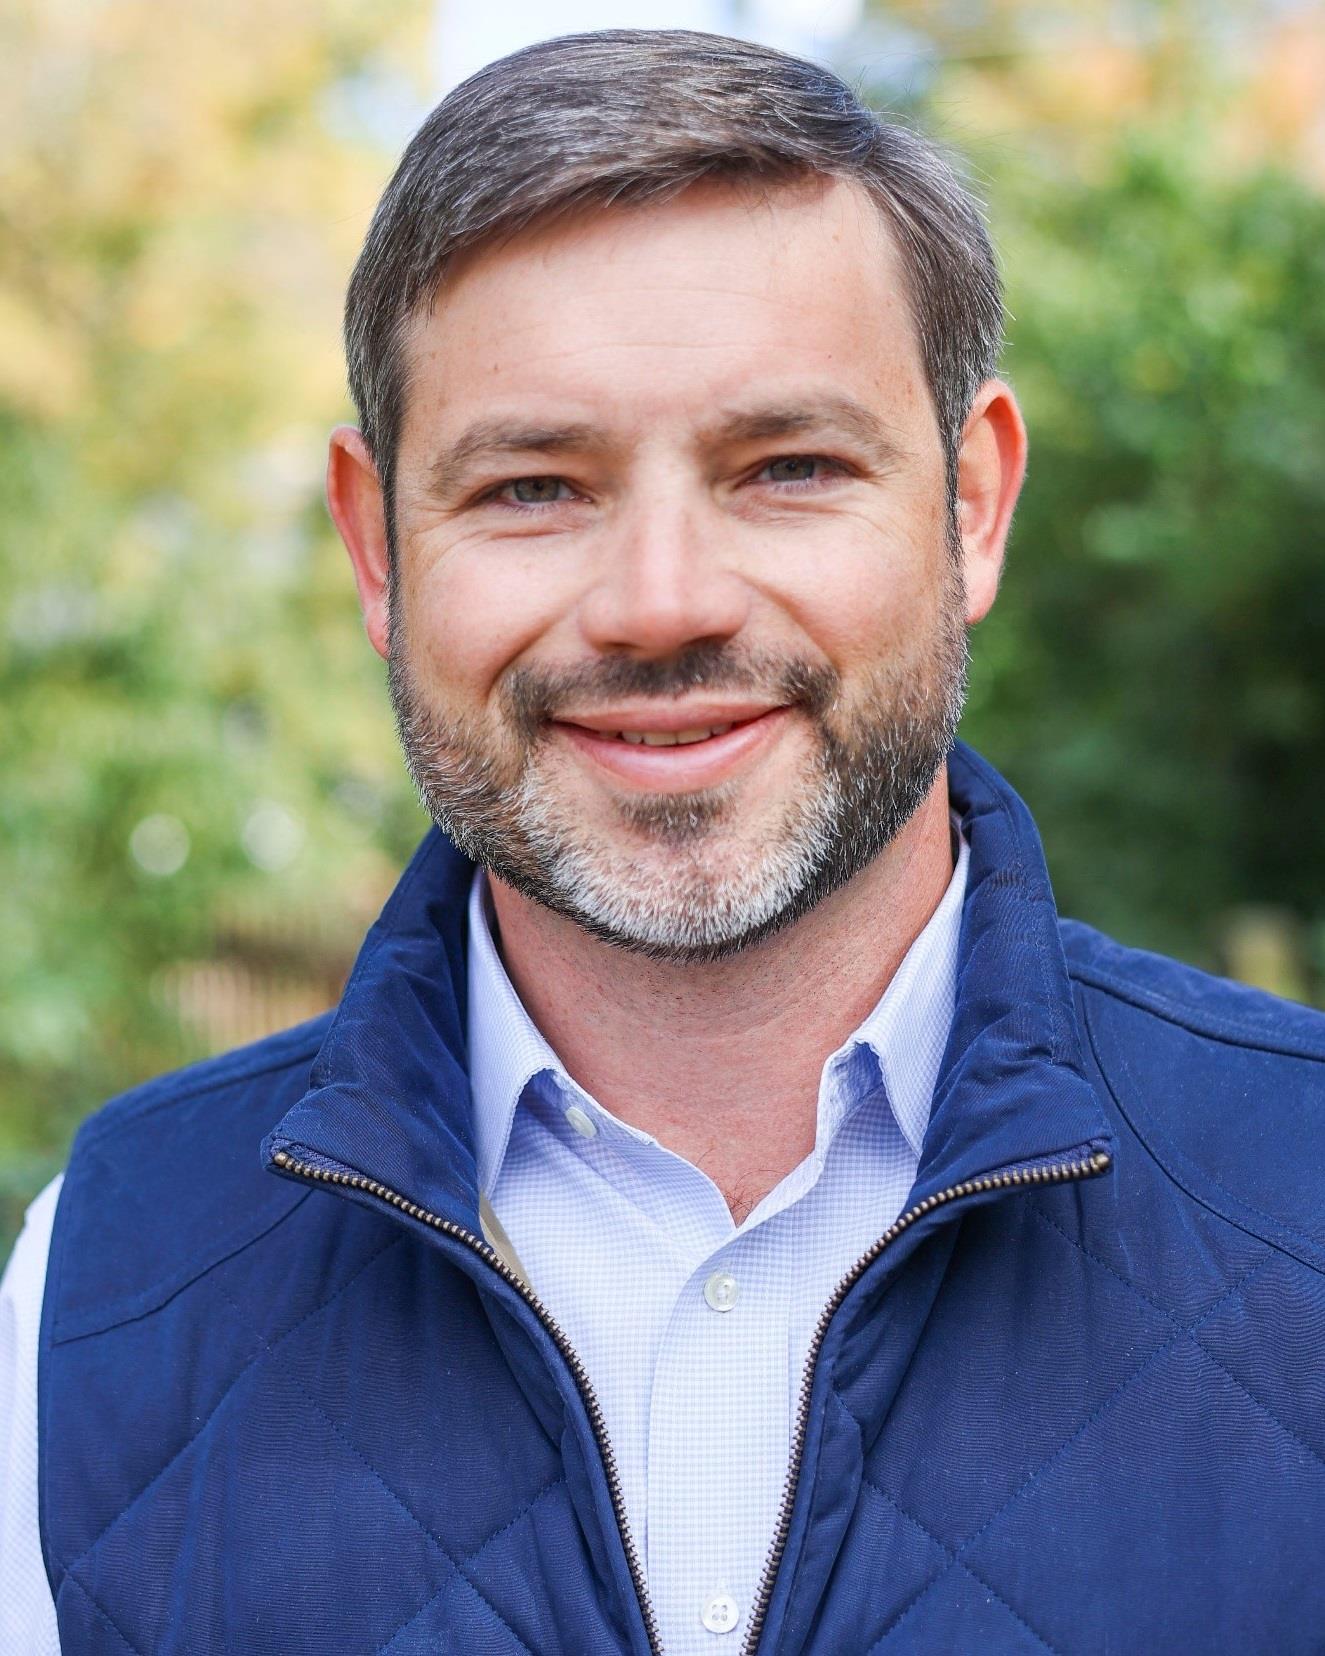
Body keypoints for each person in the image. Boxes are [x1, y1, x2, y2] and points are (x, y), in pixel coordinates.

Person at [3, 26, 1323, 1655]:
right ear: (376, 546)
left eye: (787, 467)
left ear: (971, 503)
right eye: (531, 488)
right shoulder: (100, 1287)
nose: (659, 603)